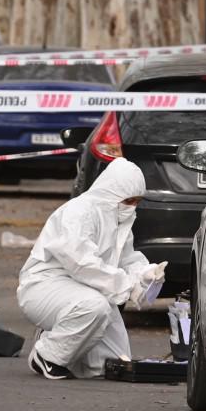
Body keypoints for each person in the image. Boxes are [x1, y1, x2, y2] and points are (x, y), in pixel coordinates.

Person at [17, 158, 167, 379]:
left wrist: (145, 274)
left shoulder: (119, 218)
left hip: (84, 291)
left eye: (137, 201)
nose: (132, 206)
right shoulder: (77, 213)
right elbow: (82, 264)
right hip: (44, 286)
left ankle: (59, 335)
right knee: (95, 307)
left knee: (113, 364)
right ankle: (47, 355)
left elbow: (128, 257)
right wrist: (127, 285)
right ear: (112, 193)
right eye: (129, 200)